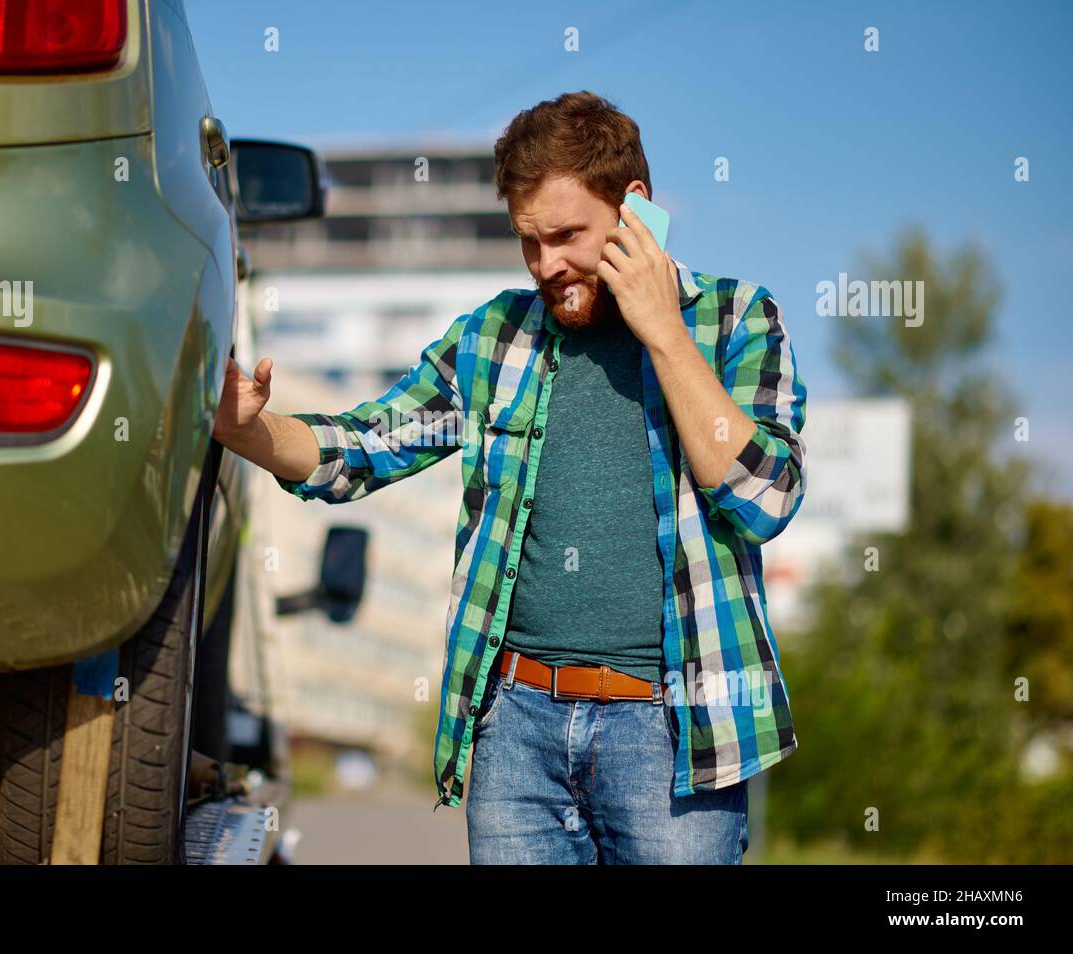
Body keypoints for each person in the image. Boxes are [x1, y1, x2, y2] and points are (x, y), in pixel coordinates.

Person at [212, 90, 808, 864]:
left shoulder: (737, 322)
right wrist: (247, 429)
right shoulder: (495, 337)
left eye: (567, 236)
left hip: (675, 734)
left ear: (637, 209)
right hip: (516, 732)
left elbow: (766, 497)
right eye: (529, 241)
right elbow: (361, 448)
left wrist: (662, 331)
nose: (548, 265)